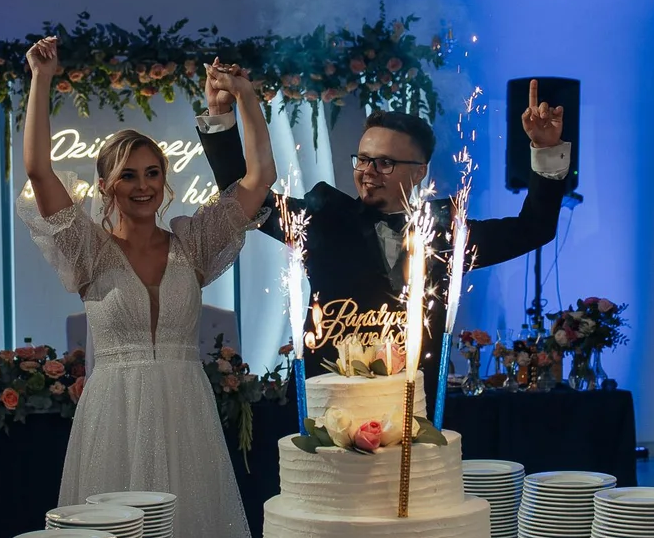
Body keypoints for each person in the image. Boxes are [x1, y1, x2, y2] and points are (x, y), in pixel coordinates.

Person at [17, 38, 276, 538]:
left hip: (186, 410)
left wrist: (246, 97)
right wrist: (41, 79)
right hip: (115, 413)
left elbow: (260, 177)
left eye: (152, 173)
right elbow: (38, 170)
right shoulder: (88, 250)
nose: (143, 186)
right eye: (128, 175)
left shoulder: (193, 243)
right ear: (106, 185)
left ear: (164, 181)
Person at [196, 68, 571, 399]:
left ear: (420, 171)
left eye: (385, 162)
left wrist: (546, 149)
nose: (368, 172)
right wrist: (220, 115)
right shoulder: (322, 218)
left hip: (413, 411)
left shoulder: (444, 232)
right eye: (363, 159)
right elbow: (242, 197)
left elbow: (534, 229)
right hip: (328, 407)